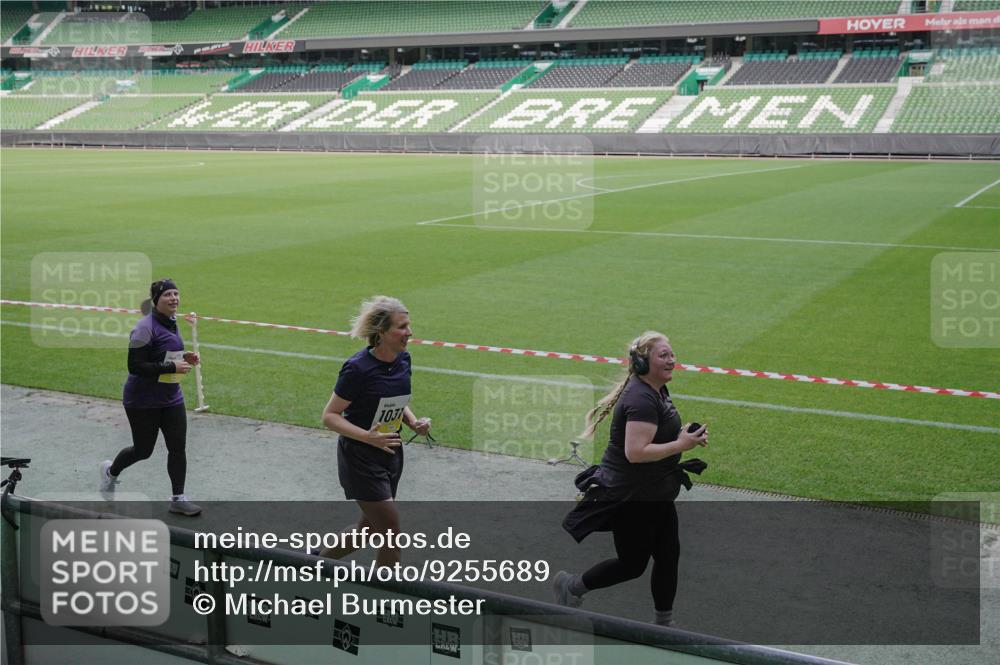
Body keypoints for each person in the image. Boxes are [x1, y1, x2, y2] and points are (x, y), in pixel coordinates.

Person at [555, 331, 708, 627]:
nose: (671, 360)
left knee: (668, 555)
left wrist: (683, 435)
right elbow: (635, 452)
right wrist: (680, 445)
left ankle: (664, 625)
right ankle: (570, 586)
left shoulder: (657, 390)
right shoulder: (640, 398)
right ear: (642, 363)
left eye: (672, 354)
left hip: (654, 491)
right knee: (632, 565)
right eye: (663, 355)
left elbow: (654, 436)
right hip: (631, 496)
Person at [320, 296, 431, 566]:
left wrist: (414, 422)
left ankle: (313, 563)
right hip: (360, 458)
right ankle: (383, 604)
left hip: (391, 453)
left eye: (409, 325)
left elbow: (396, 401)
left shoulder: (404, 360)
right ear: (381, 332)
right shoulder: (357, 369)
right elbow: (330, 416)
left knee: (367, 530)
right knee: (391, 530)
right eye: (402, 326)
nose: (409, 332)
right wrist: (367, 436)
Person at [99, 278, 202, 516]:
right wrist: (171, 368)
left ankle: (178, 498)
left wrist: (184, 357)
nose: (174, 298)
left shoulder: (171, 321)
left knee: (178, 447)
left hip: (171, 397)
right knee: (143, 451)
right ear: (156, 300)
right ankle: (110, 472)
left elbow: (164, 352)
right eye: (168, 295)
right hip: (142, 400)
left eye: (176, 293)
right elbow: (135, 365)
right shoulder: (144, 327)